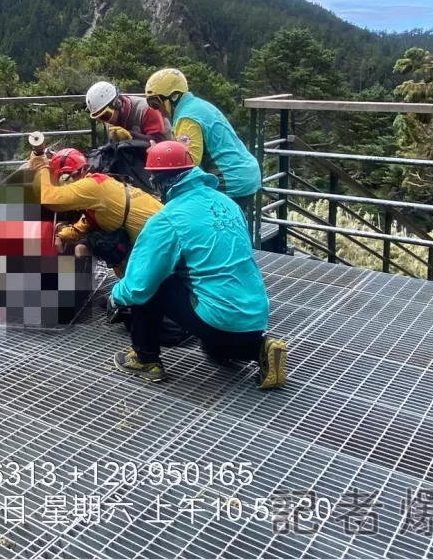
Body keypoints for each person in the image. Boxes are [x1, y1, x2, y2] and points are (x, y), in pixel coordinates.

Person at [109, 140, 287, 388]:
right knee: (213, 346)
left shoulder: (168, 218)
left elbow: (140, 285)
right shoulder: (227, 203)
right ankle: (260, 348)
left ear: (161, 181)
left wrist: (116, 295)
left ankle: (144, 359)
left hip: (218, 319)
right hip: (255, 316)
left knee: (152, 284)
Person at [28, 147, 162, 279]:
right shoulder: (98, 183)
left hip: (157, 242)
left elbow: (48, 198)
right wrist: (62, 235)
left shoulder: (91, 187)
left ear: (65, 178)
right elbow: (88, 222)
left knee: (101, 242)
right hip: (158, 232)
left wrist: (41, 167)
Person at [144, 68, 261, 208]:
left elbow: (188, 163)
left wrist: (157, 154)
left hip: (230, 181)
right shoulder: (197, 105)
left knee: (203, 219)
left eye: (156, 103)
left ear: (173, 97)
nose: (156, 109)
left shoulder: (187, 118)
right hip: (245, 174)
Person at [86, 81, 171, 144]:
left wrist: (131, 136)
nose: (105, 121)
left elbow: (160, 141)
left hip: (163, 157)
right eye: (99, 118)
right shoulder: (109, 117)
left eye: (105, 116)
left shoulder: (146, 109)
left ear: (117, 103)